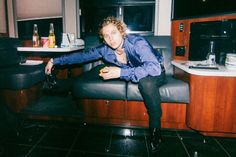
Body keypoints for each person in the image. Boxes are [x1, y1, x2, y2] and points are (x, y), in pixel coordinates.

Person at [45, 16, 166, 153]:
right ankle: (61, 85)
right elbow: (82, 56)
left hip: (154, 74)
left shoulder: (137, 42)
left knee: (146, 83)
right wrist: (55, 61)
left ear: (121, 31)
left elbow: (153, 68)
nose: (111, 39)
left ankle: (156, 131)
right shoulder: (105, 49)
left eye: (113, 33)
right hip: (130, 71)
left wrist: (120, 72)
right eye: (106, 36)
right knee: (100, 69)